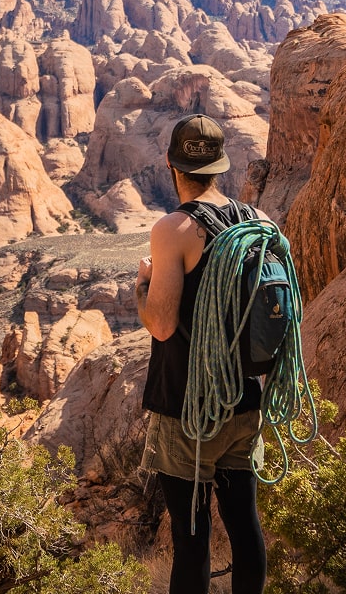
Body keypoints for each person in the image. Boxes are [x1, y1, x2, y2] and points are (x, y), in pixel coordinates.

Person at [136, 114, 267, 594]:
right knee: (244, 524)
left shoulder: (174, 229)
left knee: (192, 540)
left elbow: (163, 324)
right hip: (244, 401)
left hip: (188, 409)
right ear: (219, 167)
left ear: (174, 167)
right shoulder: (257, 222)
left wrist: (143, 285)